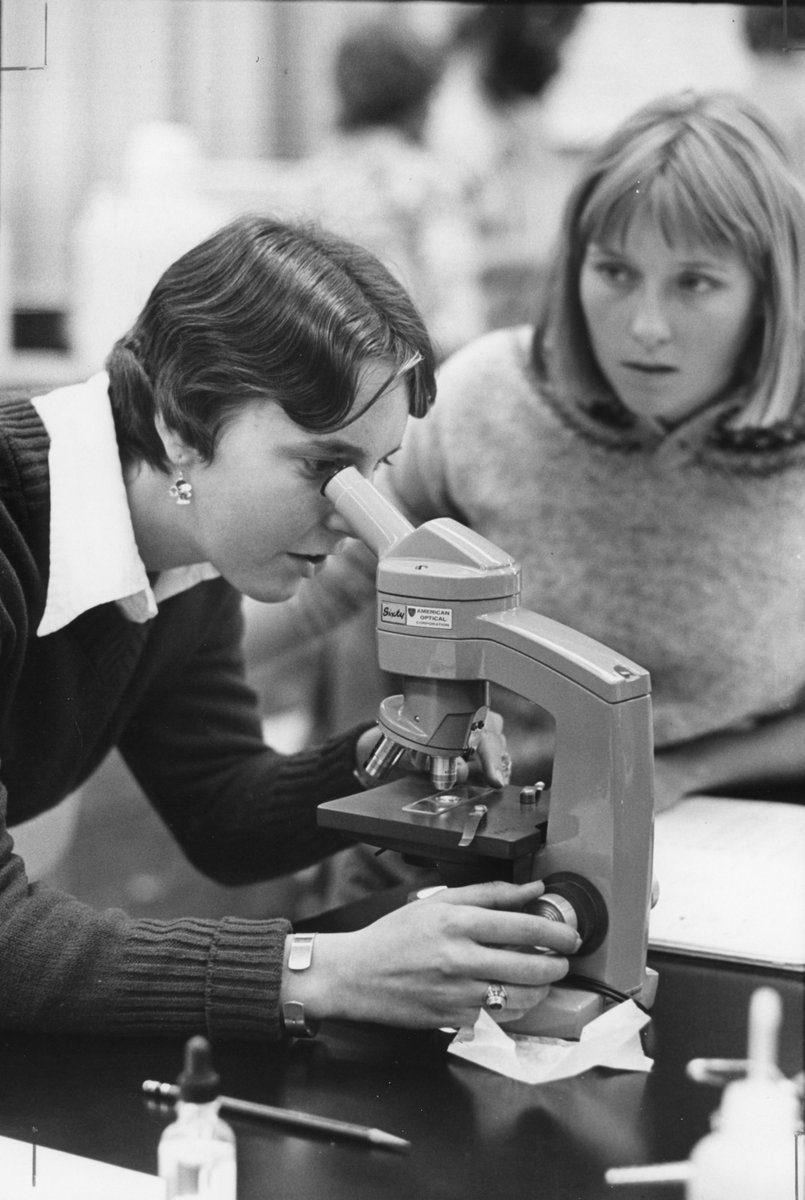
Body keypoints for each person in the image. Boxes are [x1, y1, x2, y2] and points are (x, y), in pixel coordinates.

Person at [0, 213, 581, 1039]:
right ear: (179, 420)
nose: (356, 518)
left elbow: (220, 813)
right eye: (323, 468)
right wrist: (321, 970)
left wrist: (386, 756)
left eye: (377, 470)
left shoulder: (187, 544)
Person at [251, 90, 805, 820]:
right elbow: (339, 578)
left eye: (694, 283)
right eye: (614, 272)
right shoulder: (487, 395)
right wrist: (146, 654)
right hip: (494, 807)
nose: (644, 325)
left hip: (744, 821)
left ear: (769, 292)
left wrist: (675, 773)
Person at [279, 22, 485, 360]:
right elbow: (460, 321)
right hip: (404, 378)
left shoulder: (302, 184)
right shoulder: (432, 183)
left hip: (316, 379)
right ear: (424, 97)